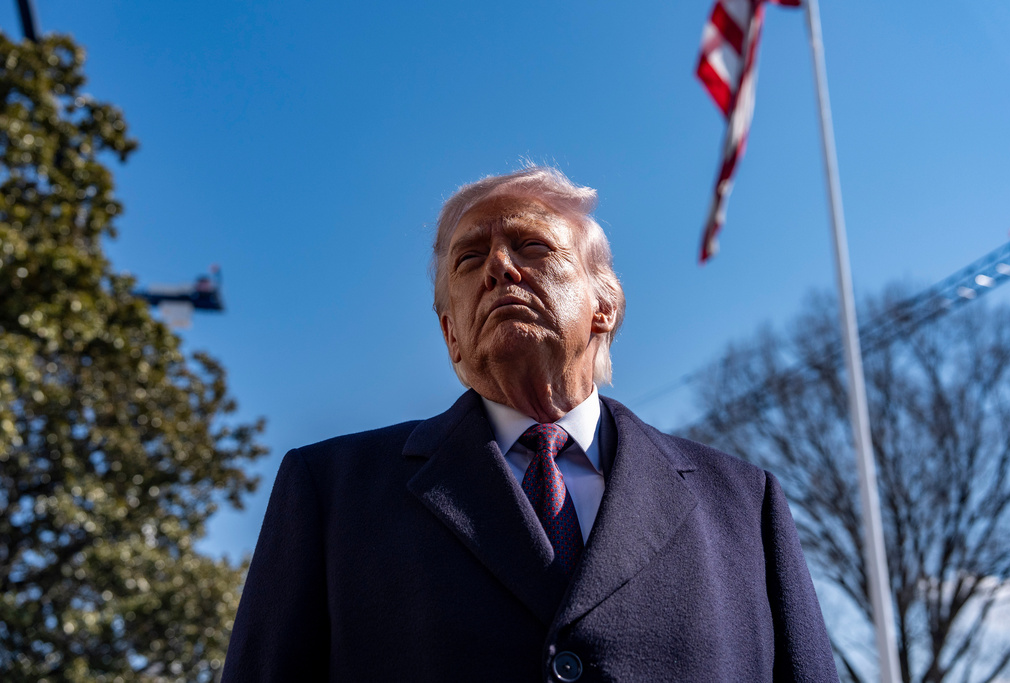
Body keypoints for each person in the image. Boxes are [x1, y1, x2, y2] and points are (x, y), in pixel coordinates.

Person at [221, 167, 839, 682]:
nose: (498, 269)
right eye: (469, 259)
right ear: (451, 335)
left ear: (605, 306)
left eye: (533, 246)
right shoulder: (330, 492)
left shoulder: (743, 504)